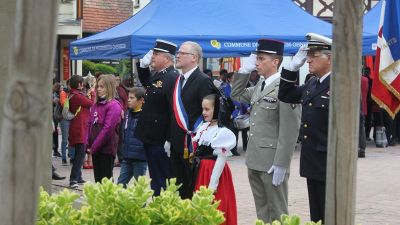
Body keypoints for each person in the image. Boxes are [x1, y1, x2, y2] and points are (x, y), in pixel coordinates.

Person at [231, 39, 301, 223]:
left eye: (261, 59)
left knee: (278, 211)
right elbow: (236, 94)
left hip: (272, 161)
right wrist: (244, 72)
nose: (257, 63)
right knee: (262, 211)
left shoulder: (284, 89)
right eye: (257, 59)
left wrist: (282, 163)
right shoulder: (260, 86)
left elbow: (290, 129)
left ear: (275, 62)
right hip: (255, 158)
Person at [278, 33, 333, 223]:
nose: (308, 59)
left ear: (330, 58)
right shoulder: (312, 82)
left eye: (314, 55)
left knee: (330, 213)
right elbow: (286, 95)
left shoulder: (340, 85)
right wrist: (291, 68)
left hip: (330, 161)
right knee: (316, 214)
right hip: (312, 159)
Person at [168, 41, 214, 199]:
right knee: (177, 189)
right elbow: (172, 112)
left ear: (194, 57)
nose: (178, 55)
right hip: (176, 144)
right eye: (178, 52)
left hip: (192, 146)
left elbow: (209, 114)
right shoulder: (178, 80)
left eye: (182, 53)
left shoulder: (203, 80)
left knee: (189, 190)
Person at [135, 39, 180, 196]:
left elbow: (173, 111)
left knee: (161, 180)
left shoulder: (173, 77)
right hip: (151, 137)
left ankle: (162, 210)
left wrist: (169, 138)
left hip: (160, 139)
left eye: (156, 54)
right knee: (156, 177)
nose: (152, 57)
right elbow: (147, 83)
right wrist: (142, 67)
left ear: (167, 59)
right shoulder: (160, 75)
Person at [192, 94, 237, 225]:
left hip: (213, 172)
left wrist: (213, 186)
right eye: (202, 109)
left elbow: (221, 159)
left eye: (207, 109)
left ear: (216, 109)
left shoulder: (222, 132)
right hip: (200, 171)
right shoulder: (203, 127)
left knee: (216, 207)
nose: (203, 112)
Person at [87, 74, 123, 183]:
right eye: (98, 86)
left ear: (109, 88)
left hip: (106, 149)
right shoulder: (95, 105)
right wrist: (87, 144)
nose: (98, 89)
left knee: (106, 181)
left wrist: (94, 147)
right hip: (95, 148)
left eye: (102, 87)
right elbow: (89, 124)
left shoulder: (113, 105)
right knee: (98, 181)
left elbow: (107, 129)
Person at [117, 87, 147, 188]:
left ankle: (140, 204)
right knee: (120, 185)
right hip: (127, 157)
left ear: (141, 100)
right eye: (128, 97)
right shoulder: (127, 114)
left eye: (132, 98)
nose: (128, 100)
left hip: (139, 158)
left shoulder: (145, 116)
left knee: (139, 188)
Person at [68, 75, 94, 188]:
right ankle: (73, 179)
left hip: (77, 127)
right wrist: (92, 93)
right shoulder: (77, 96)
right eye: (82, 83)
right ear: (79, 84)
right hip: (80, 128)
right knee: (80, 155)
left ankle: (78, 177)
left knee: (80, 153)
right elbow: (91, 103)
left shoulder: (72, 95)